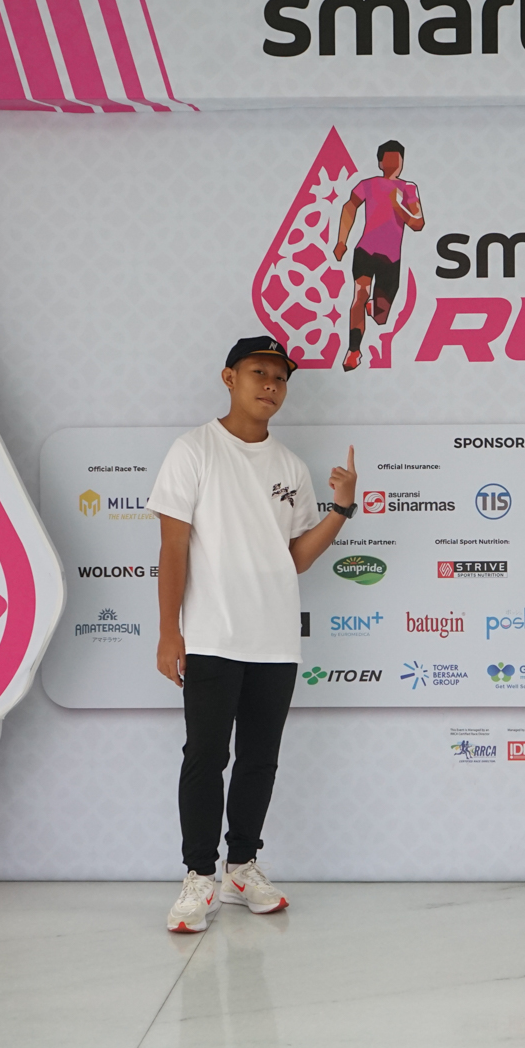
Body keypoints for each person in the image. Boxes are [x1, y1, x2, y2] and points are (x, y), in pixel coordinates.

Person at [149, 335, 359, 934]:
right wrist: (169, 633)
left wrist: (341, 509)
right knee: (205, 757)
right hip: (212, 636)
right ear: (229, 378)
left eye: (280, 377)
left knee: (259, 760)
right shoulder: (193, 450)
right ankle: (199, 876)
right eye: (258, 372)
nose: (270, 385)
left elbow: (296, 558)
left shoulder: (290, 466)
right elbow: (172, 547)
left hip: (275, 640)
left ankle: (241, 868)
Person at [332, 139, 424, 372]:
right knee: (360, 295)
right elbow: (349, 207)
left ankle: (375, 308)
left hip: (391, 259)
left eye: (397, 160)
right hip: (365, 250)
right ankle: (353, 350)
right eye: (388, 160)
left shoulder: (408, 188)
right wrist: (341, 241)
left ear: (402, 163)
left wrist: (398, 206)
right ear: (380, 162)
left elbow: (418, 223)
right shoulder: (368, 185)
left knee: (381, 316)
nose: (393, 164)